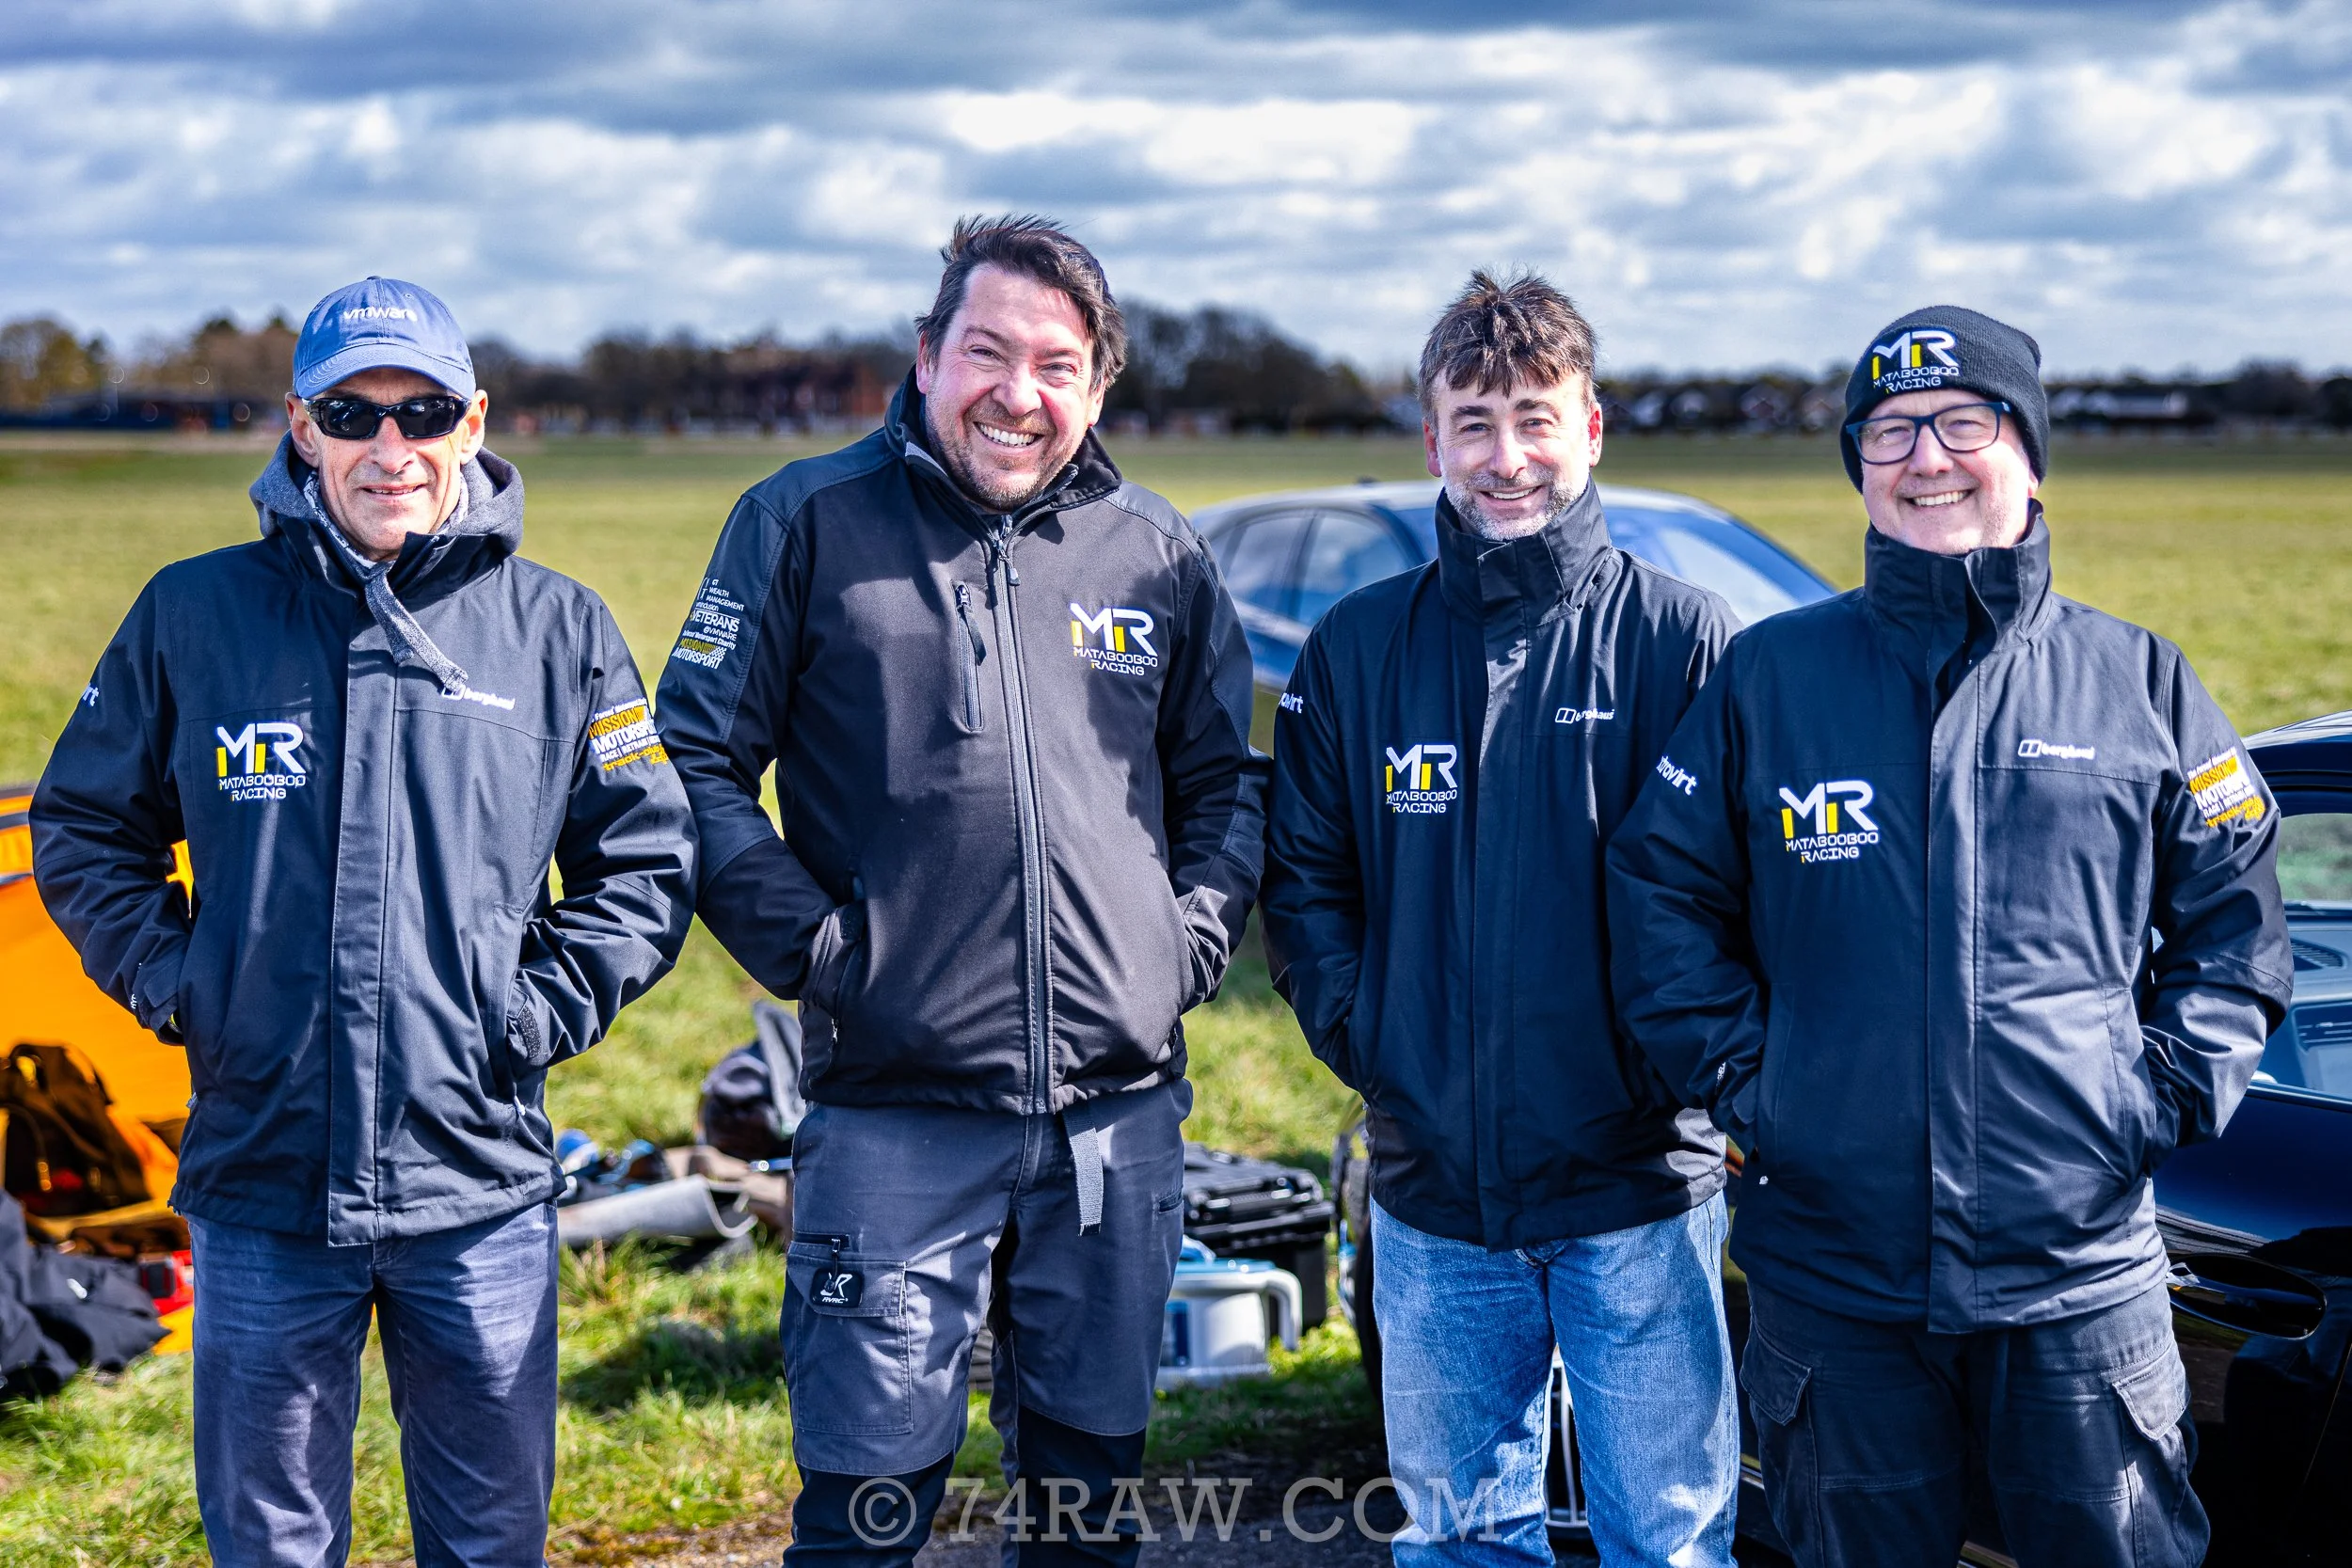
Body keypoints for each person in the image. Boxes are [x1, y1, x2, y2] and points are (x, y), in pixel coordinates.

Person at [1606, 306, 2293, 1568]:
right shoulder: (1770, 681)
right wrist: (1764, 1086)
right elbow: (1660, 894)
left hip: (2079, 1281)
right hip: (1837, 1285)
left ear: (2027, 449)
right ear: (1860, 467)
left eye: (1963, 422)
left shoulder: (2139, 681)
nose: (1928, 457)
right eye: (1889, 431)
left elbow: (2235, 914)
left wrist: (2149, 1098)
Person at [32, 277, 696, 1567]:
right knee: (271, 1540)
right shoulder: (193, 614)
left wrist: (530, 1013)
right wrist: (185, 984)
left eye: (423, 410)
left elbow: (646, 857)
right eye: (354, 412)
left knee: (491, 1536)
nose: (390, 447)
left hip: (478, 1179)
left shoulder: (558, 629)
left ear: (473, 422)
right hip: (262, 1174)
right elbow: (83, 825)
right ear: (301, 426)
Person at [655, 215, 1265, 1568]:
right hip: (893, 1117)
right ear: (928, 356)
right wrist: (816, 949)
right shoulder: (802, 522)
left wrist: (1184, 945)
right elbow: (685, 754)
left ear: (1099, 387)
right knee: (867, 1522)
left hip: (1114, 1127)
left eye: (1058, 364)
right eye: (987, 351)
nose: (1019, 391)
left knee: (1084, 1516)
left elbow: (1229, 782)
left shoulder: (1154, 550)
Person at [1260, 271, 1740, 1567]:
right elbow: (1303, 884)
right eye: (1474, 420)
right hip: (1432, 1193)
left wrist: (1673, 1076)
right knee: (1464, 1538)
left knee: (1673, 1543)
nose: (1507, 454)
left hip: (1639, 1185)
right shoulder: (1357, 650)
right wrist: (1381, 1043)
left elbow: (1734, 900)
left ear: (1593, 427)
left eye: (1536, 416)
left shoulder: (1685, 642)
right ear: (1432, 440)